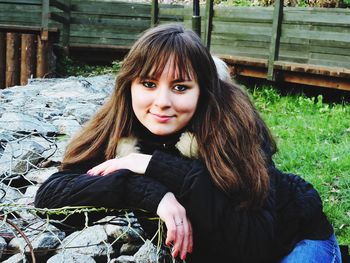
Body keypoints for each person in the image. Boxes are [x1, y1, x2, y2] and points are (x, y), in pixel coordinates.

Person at [35, 24, 341, 263]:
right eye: (149, 83)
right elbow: (50, 196)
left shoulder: (233, 125)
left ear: (203, 91)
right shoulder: (120, 124)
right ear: (129, 83)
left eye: (180, 87)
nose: (162, 102)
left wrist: (155, 165)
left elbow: (254, 245)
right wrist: (147, 191)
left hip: (292, 239)